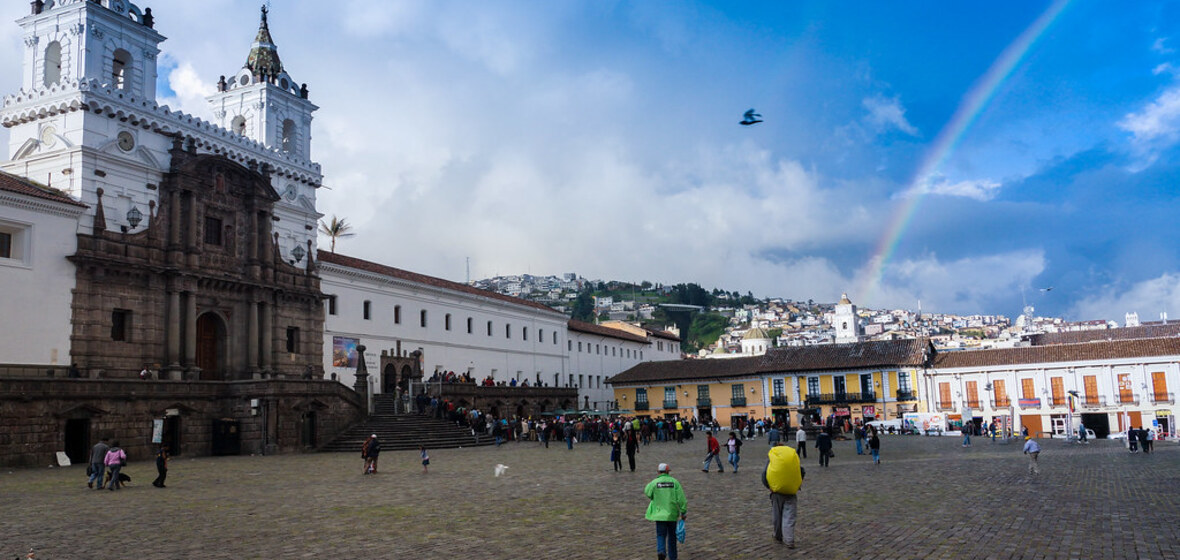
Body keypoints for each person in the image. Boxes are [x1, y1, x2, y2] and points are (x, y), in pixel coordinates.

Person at [762, 442, 805, 549]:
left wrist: (769, 486)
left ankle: (778, 535)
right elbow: (802, 471)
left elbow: (764, 474)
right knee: (789, 517)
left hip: (776, 492)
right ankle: (789, 540)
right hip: (791, 492)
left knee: (777, 516)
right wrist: (797, 484)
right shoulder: (791, 458)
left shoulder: (772, 458)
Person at [644, 463, 687, 560]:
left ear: (658, 472)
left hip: (659, 514)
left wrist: (654, 496)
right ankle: (673, 557)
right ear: (668, 471)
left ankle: (661, 551)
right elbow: (681, 499)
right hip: (671, 514)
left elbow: (647, 491)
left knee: (660, 535)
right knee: (672, 537)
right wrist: (683, 511)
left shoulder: (654, 482)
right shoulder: (674, 482)